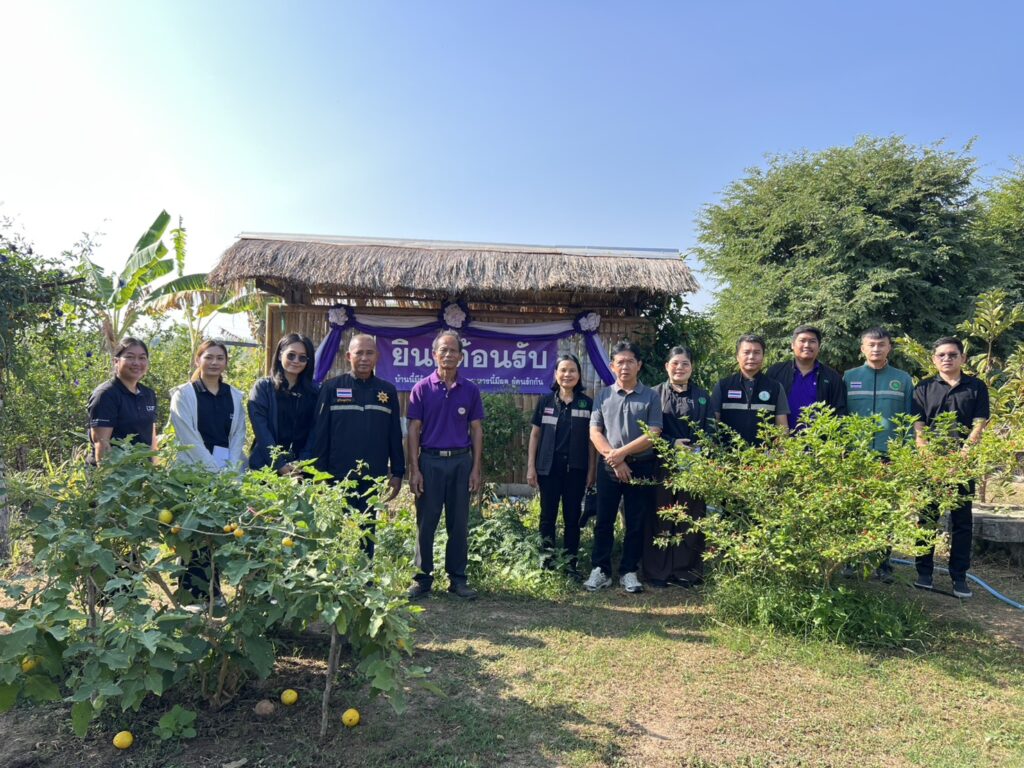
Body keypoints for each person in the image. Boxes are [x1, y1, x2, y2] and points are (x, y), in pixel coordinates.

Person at [308, 333, 405, 556]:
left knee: (366, 531)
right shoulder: (331, 388)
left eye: (369, 353)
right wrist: (318, 474)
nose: (364, 358)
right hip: (337, 477)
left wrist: (398, 472)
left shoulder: (387, 391)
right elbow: (320, 434)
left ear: (377, 357)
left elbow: (394, 434)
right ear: (348, 356)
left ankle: (365, 574)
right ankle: (339, 576)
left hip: (372, 478)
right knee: (337, 533)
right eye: (359, 353)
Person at [406, 331, 485, 600]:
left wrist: (475, 468)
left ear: (461, 356)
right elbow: (413, 430)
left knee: (459, 524)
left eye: (453, 351)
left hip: (461, 462)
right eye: (444, 350)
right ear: (434, 355)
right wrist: (415, 469)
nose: (448, 354)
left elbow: (476, 430)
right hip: (430, 462)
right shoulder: (421, 389)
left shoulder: (470, 390)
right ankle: (422, 580)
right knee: (426, 523)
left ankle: (457, 579)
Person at [168, 340, 247, 600]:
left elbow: (238, 436)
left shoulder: (234, 396)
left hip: (225, 475)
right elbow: (188, 438)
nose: (214, 362)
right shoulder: (184, 395)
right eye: (208, 357)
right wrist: (214, 470)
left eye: (219, 358)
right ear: (197, 360)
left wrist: (230, 470)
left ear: (226, 363)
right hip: (193, 473)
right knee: (194, 532)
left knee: (218, 532)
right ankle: (192, 595)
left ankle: (213, 593)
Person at [911, 337, 989, 598]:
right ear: (934, 359)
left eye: (952, 354)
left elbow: (979, 425)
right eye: (941, 355)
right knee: (927, 517)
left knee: (962, 522)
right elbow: (919, 428)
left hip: (963, 464)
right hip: (930, 464)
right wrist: (930, 460)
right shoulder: (924, 387)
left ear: (962, 358)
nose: (947, 359)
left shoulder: (976, 387)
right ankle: (924, 572)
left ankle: (959, 576)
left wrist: (961, 458)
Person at [584, 340, 663, 594]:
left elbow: (654, 433)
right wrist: (616, 460)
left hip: (641, 466)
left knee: (636, 521)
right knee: (604, 520)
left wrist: (621, 454)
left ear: (639, 365)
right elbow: (595, 432)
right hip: (609, 468)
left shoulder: (651, 396)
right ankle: (601, 570)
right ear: (612, 366)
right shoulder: (603, 396)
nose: (625, 366)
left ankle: (629, 570)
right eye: (620, 362)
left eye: (630, 361)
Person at [843, 327, 913, 581]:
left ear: (889, 348)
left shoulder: (902, 379)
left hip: (889, 454)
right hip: (855, 454)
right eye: (871, 345)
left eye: (881, 344)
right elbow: (840, 416)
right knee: (854, 508)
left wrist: (906, 453)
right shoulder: (849, 377)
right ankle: (851, 561)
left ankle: (882, 563)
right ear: (862, 348)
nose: (876, 349)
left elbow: (910, 418)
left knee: (885, 510)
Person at [644, 346, 712, 588]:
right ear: (667, 366)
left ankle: (686, 572)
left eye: (685, 364)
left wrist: (700, 447)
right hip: (661, 464)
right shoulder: (654, 394)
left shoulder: (703, 396)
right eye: (675, 363)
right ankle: (657, 571)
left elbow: (711, 428)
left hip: (694, 465)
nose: (680, 368)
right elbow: (647, 430)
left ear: (692, 368)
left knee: (690, 516)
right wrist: (672, 443)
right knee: (661, 515)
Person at [526, 354, 596, 579]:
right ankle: (546, 563)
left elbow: (591, 441)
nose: (567, 375)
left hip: (576, 470)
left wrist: (592, 470)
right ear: (556, 374)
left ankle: (570, 565)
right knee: (547, 517)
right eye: (563, 370)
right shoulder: (545, 402)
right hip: (548, 469)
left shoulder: (587, 403)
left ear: (579, 375)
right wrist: (531, 467)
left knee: (572, 518)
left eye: (572, 370)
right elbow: (535, 435)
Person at [248, 333, 319, 473]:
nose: (296, 361)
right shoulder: (263, 387)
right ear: (280, 355)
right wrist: (279, 465)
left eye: (302, 357)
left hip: (301, 470)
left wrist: (301, 463)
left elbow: (315, 431)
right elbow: (261, 431)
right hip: (266, 468)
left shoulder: (315, 392)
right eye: (291, 355)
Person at [87, 337, 158, 464]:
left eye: (142, 358)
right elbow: (102, 444)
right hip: (116, 471)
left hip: (142, 472)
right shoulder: (106, 395)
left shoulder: (148, 394)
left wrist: (155, 469)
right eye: (130, 357)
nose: (136, 363)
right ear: (116, 361)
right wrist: (109, 475)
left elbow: (152, 438)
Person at [710, 334, 789, 445]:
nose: (751, 357)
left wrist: (778, 452)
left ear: (763, 356)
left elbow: (782, 428)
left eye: (757, 352)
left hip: (764, 454)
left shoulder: (775, 387)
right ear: (737, 356)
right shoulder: (723, 386)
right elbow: (713, 425)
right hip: (729, 453)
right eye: (746, 352)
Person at [765, 325, 847, 428]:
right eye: (802, 341)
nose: (807, 345)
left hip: (818, 437)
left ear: (819, 346)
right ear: (792, 345)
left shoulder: (831, 377)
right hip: (781, 436)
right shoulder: (776, 372)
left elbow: (839, 411)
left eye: (812, 341)